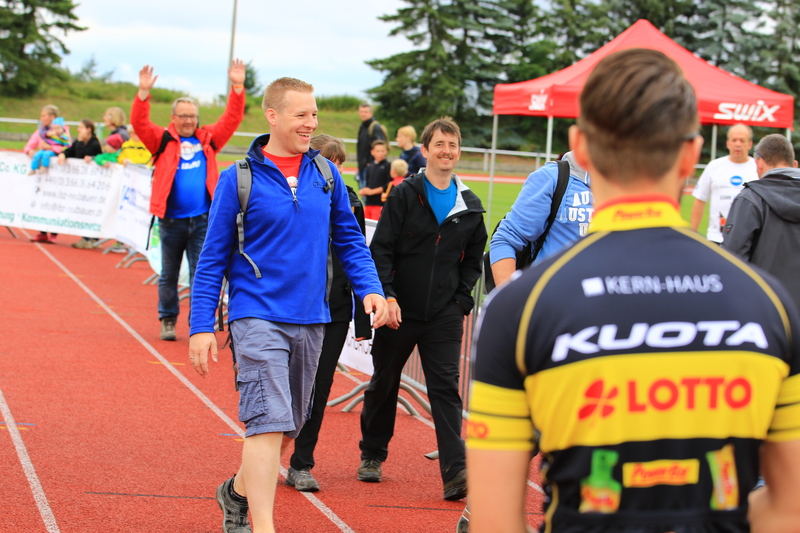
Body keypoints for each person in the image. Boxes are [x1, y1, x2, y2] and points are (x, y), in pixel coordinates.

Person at [466, 48, 800, 533]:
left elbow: (492, 521)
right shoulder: (770, 303)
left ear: (579, 147)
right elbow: (790, 510)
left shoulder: (517, 309)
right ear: (692, 154)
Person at [188, 77, 388, 533]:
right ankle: (264, 526)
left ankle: (235, 492)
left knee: (289, 426)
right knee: (266, 422)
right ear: (273, 116)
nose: (310, 123)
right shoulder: (237, 178)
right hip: (256, 315)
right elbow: (212, 259)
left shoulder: (327, 175)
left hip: (312, 317)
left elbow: (350, 241)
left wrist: (370, 288)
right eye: (301, 115)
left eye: (314, 114)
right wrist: (201, 326)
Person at [358, 117, 487, 501]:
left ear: (458, 152)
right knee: (384, 382)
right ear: (426, 150)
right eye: (440, 144)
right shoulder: (404, 194)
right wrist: (389, 296)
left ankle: (455, 471)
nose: (446, 151)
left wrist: (461, 301)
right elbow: (381, 249)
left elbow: (473, 259)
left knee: (446, 389)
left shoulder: (470, 206)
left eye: (453, 145)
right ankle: (372, 453)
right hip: (398, 310)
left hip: (444, 314)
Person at [131, 60, 246, 341]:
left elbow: (232, 118)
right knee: (168, 274)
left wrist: (237, 87)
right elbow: (139, 123)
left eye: (192, 116)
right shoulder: (161, 139)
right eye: (183, 116)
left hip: (203, 220)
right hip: (170, 221)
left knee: (201, 274)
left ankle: (199, 325)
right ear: (173, 117)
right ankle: (168, 319)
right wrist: (143, 93)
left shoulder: (209, 138)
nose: (188, 121)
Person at [286, 134, 373, 493]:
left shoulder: (351, 202)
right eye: (327, 160)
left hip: (334, 310)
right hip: (291, 307)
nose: (333, 169)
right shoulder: (291, 195)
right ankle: (267, 450)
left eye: (338, 162)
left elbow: (358, 256)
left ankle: (301, 462)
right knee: (284, 385)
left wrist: (363, 319)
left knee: (319, 388)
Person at [489, 151, 592, 288]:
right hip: (552, 296)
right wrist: (510, 297)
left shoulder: (621, 184)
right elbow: (506, 239)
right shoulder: (552, 176)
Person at [723, 134, 800, 308]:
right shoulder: (752, 199)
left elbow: (733, 260)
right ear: (794, 165)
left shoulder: (750, 198)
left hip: (767, 308)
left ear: (759, 163)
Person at [690, 124, 757, 243]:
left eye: (742, 140)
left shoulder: (757, 168)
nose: (738, 144)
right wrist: (693, 232)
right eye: (734, 140)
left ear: (750, 144)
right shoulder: (714, 166)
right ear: (728, 143)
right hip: (716, 238)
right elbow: (700, 199)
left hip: (747, 240)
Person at [57, 118, 104, 250]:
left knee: (90, 209)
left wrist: (90, 157)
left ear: (88, 130)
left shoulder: (94, 144)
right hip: (80, 182)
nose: (78, 130)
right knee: (82, 208)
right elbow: (70, 150)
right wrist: (63, 154)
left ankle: (92, 238)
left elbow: (93, 156)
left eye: (81, 127)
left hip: (93, 183)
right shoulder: (78, 142)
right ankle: (87, 238)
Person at [25, 105, 69, 244]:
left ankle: (54, 232)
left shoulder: (63, 130)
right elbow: (29, 145)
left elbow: (67, 147)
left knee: (56, 200)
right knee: (42, 199)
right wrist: (30, 151)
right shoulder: (41, 131)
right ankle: (42, 232)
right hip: (43, 174)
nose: (41, 118)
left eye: (44, 115)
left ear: (52, 117)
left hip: (58, 171)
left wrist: (51, 147)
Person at [356, 103, 386, 190]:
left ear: (371, 113)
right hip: (362, 166)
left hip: (370, 166)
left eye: (365, 112)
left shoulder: (375, 127)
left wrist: (371, 162)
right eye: (361, 112)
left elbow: (380, 145)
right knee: (363, 192)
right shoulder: (362, 127)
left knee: (368, 192)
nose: (363, 114)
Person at [359, 140, 391, 220]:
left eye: (382, 151)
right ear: (372, 152)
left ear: (386, 151)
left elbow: (389, 185)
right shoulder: (370, 167)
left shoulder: (388, 166)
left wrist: (372, 192)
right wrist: (364, 191)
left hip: (380, 204)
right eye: (378, 151)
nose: (380, 153)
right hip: (368, 203)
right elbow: (368, 184)